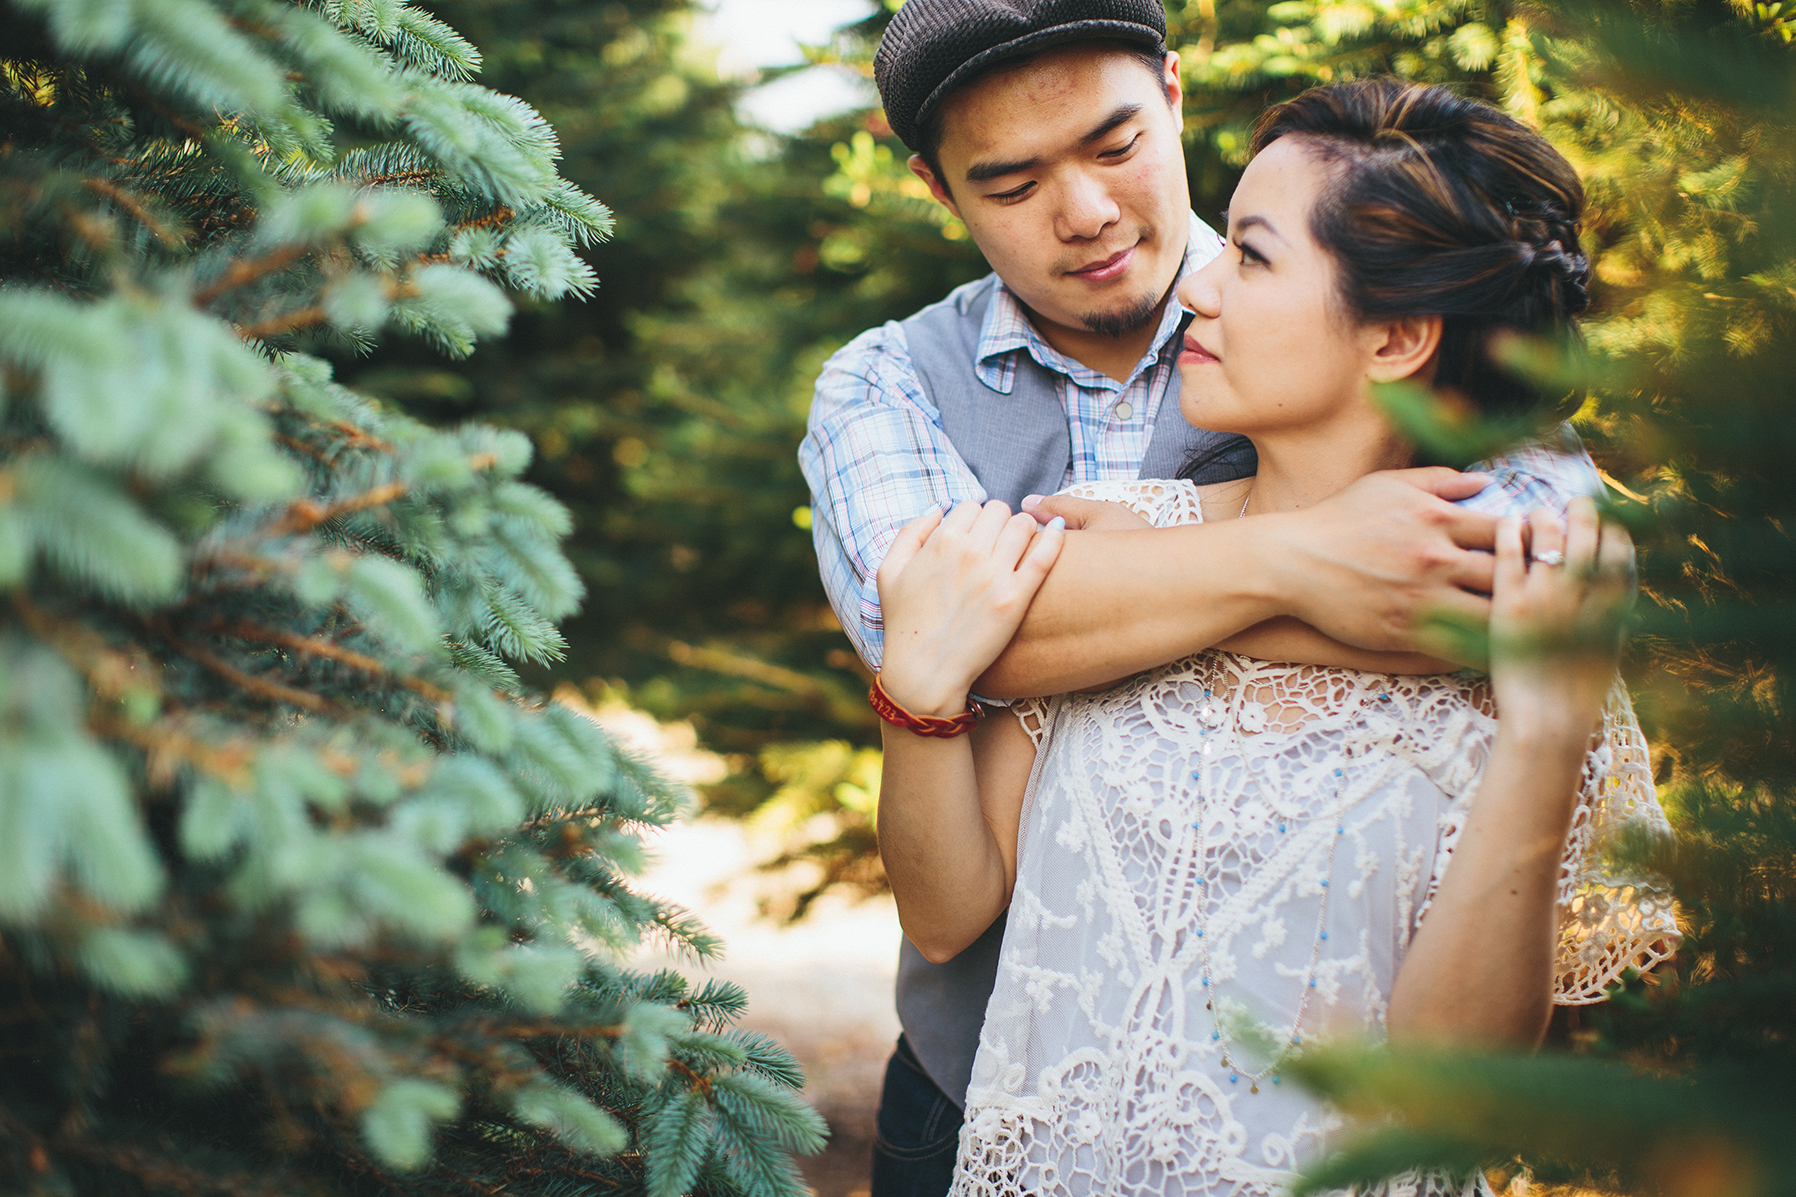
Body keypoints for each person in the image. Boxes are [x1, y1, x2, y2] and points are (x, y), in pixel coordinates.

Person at [800, 2, 1610, 1193]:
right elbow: (953, 646)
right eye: (1010, 182)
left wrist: (1112, 599)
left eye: (1112, 145)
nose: (1082, 214)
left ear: (1173, 95)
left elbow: (1529, 575)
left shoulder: (1354, 290)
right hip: (984, 1095)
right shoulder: (884, 388)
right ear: (934, 186)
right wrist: (1301, 558)